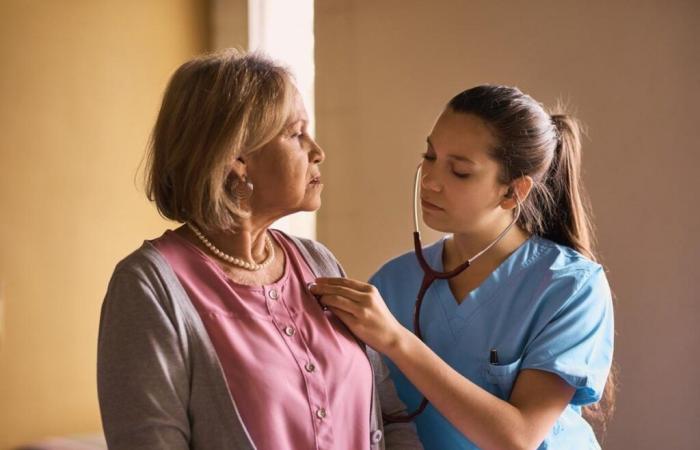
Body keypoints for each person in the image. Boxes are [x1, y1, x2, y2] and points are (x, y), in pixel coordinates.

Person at [97, 49, 422, 450]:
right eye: (296, 133)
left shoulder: (319, 262)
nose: (317, 151)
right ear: (237, 158)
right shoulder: (148, 287)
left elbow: (391, 418)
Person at [311, 85, 615, 449]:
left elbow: (518, 438)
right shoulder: (392, 284)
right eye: (430, 155)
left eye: (459, 171)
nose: (431, 180)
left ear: (513, 192)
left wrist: (396, 340)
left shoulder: (570, 287)